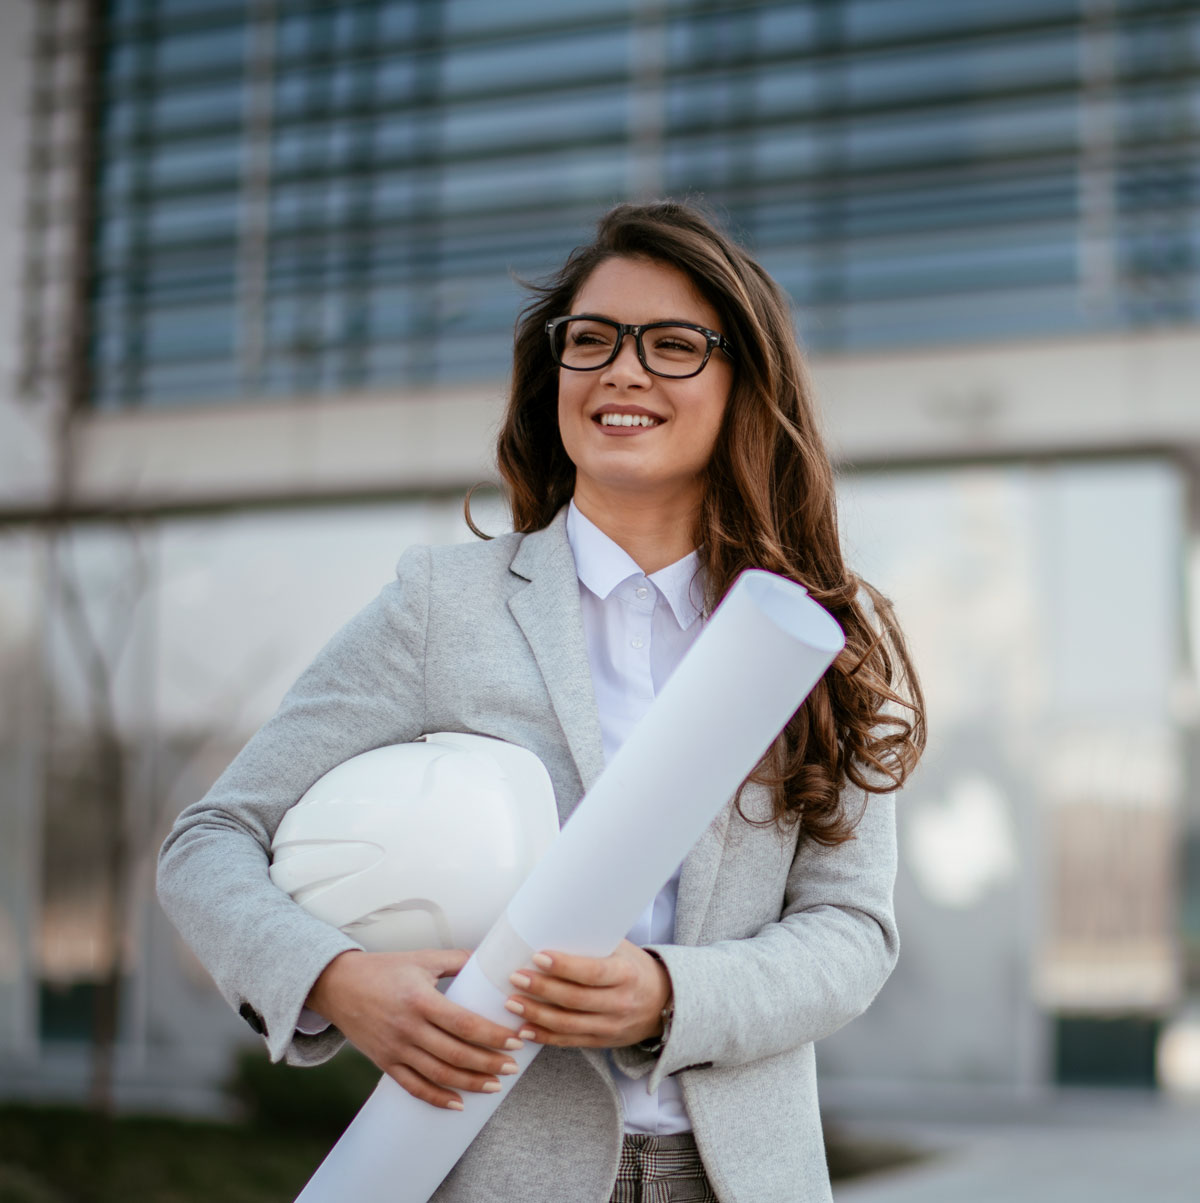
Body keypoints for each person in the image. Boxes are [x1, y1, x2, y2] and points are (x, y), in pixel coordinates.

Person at [157, 200, 924, 1203]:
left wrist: (667, 994)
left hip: (742, 1179)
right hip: (501, 1176)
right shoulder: (443, 608)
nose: (623, 370)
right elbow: (209, 842)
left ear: (744, 383)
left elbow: (851, 930)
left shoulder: (809, 637)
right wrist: (337, 979)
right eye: (592, 341)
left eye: (675, 345)